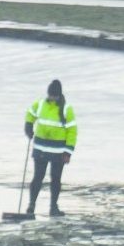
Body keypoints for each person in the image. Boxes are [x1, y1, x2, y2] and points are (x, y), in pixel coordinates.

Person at [23, 78, 77, 216]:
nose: (51, 98)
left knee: (56, 179)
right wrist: (28, 126)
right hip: (40, 148)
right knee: (37, 177)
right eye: (50, 95)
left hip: (58, 152)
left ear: (58, 95)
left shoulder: (66, 109)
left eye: (53, 95)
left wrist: (68, 151)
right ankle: (31, 206)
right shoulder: (40, 104)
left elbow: (72, 131)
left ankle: (53, 207)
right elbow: (30, 113)